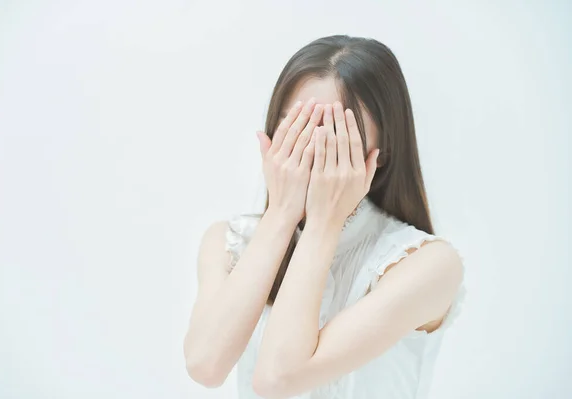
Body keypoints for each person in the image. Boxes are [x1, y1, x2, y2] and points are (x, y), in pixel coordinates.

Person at [183, 34, 466, 399]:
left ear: (381, 151)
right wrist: (283, 214)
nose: (310, 148)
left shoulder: (426, 263)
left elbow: (277, 380)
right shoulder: (229, 241)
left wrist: (323, 221)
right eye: (295, 128)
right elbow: (205, 366)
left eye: (334, 132)